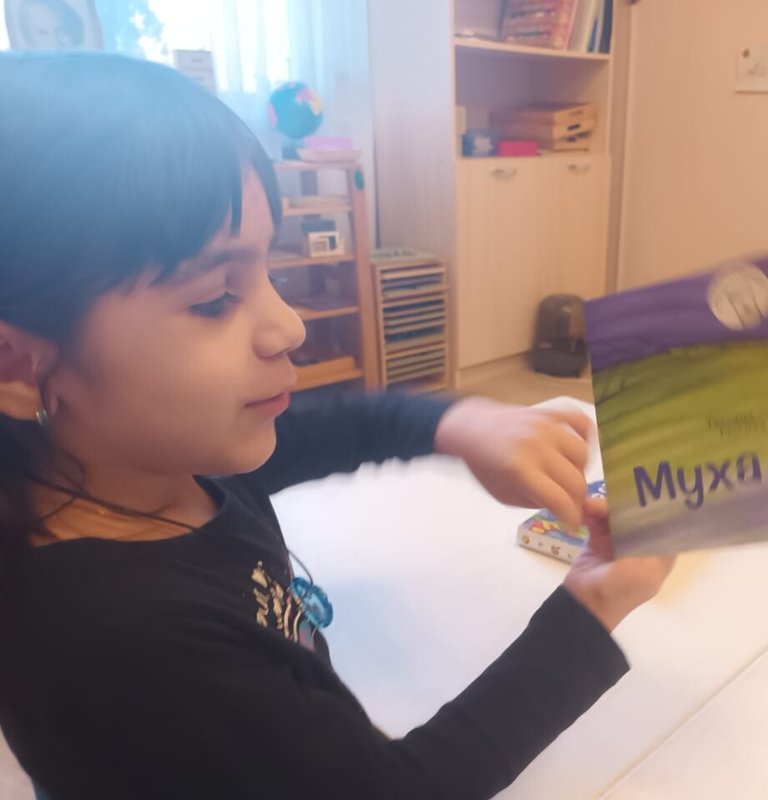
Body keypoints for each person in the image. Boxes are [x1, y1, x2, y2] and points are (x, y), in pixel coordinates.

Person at [0, 52, 674, 798]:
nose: (288, 325)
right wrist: (593, 606)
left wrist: (462, 421)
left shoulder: (146, 458)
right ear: (17, 365)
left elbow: (339, 426)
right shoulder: (125, 642)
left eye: (268, 270)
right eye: (214, 298)